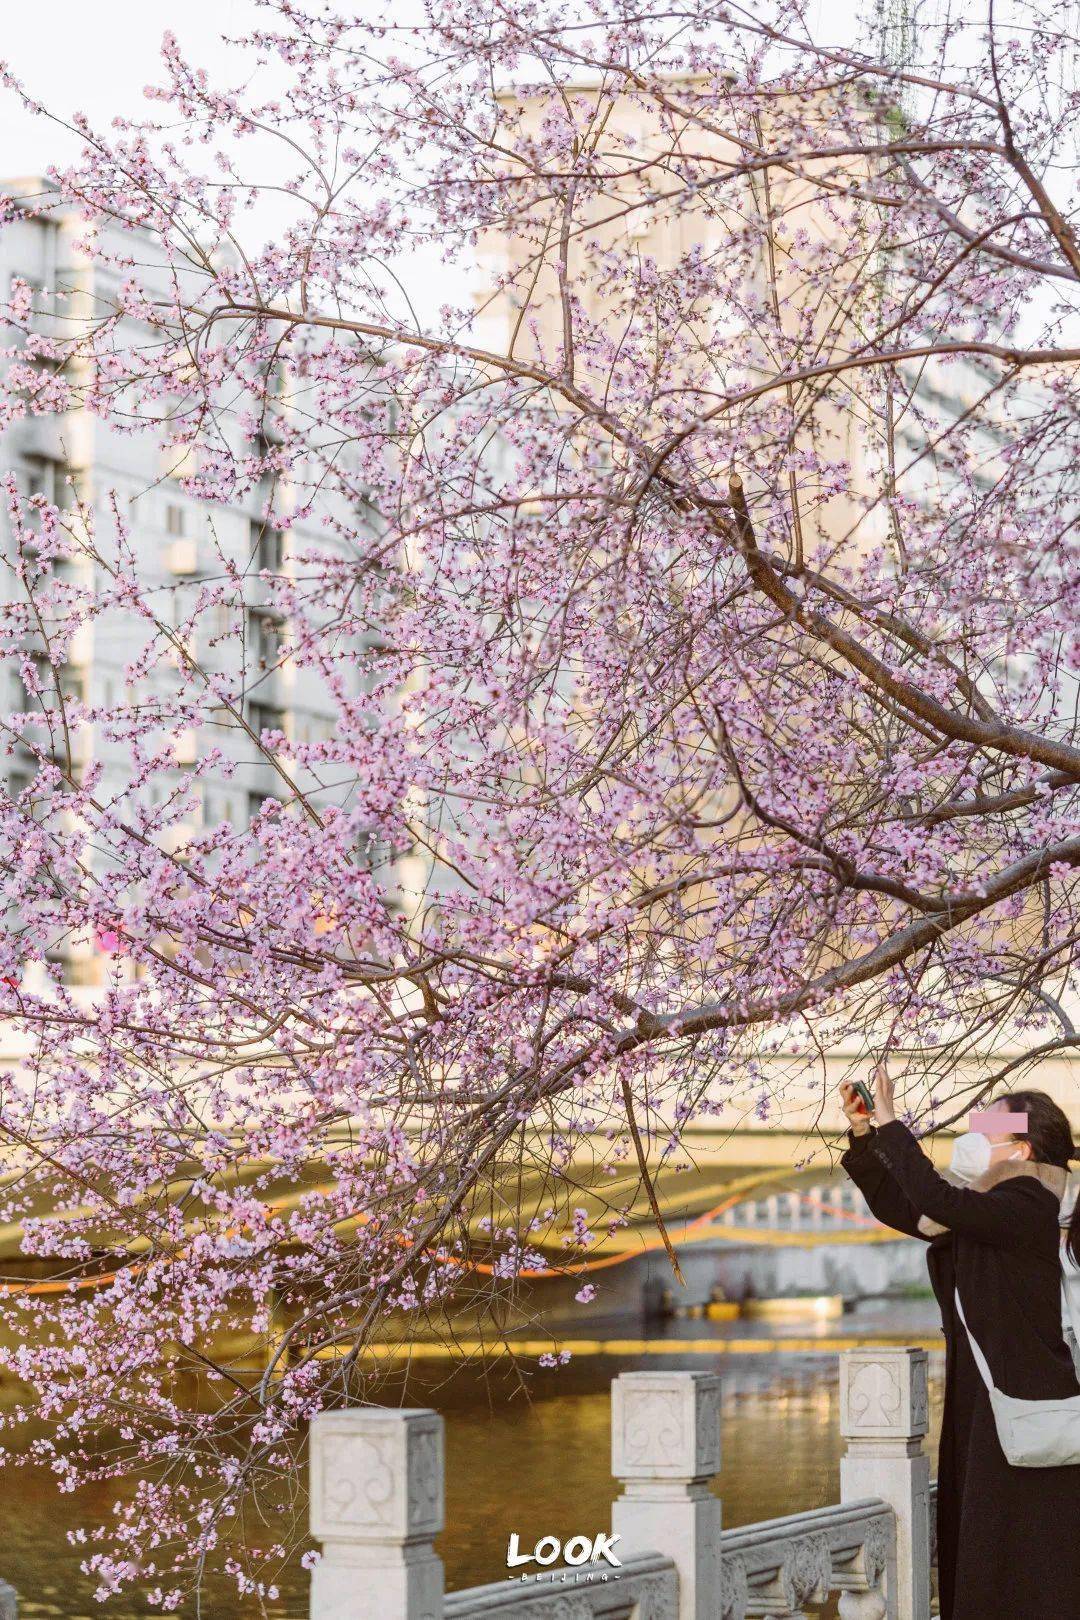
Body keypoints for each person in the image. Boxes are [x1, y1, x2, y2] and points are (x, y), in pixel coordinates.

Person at [840, 1069, 1080, 1620]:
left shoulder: (1028, 1204)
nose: (971, 1141)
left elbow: (932, 1196)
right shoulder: (987, 1209)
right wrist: (863, 1136)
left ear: (1020, 1147)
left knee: (1028, 1557)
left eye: (986, 1130)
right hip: (991, 1398)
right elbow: (907, 1208)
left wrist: (891, 1122)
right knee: (989, 1545)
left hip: (1026, 1401)